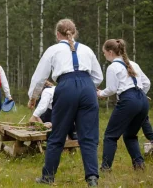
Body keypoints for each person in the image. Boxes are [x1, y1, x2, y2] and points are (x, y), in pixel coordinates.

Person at [27, 19, 103, 186]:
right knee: (88, 137)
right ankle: (92, 178)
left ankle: (47, 178)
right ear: (74, 32)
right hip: (87, 87)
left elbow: (39, 78)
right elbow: (98, 77)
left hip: (66, 87)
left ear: (57, 34)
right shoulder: (87, 49)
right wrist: (87, 88)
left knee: (57, 134)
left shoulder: (53, 50)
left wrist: (33, 97)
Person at [97, 39, 150, 171]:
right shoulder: (133, 64)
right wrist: (139, 96)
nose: (104, 55)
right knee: (130, 135)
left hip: (128, 100)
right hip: (142, 99)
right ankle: (139, 165)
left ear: (110, 52)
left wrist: (100, 94)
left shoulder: (112, 67)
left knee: (110, 136)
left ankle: (105, 168)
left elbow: (112, 89)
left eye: (104, 53)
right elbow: (147, 83)